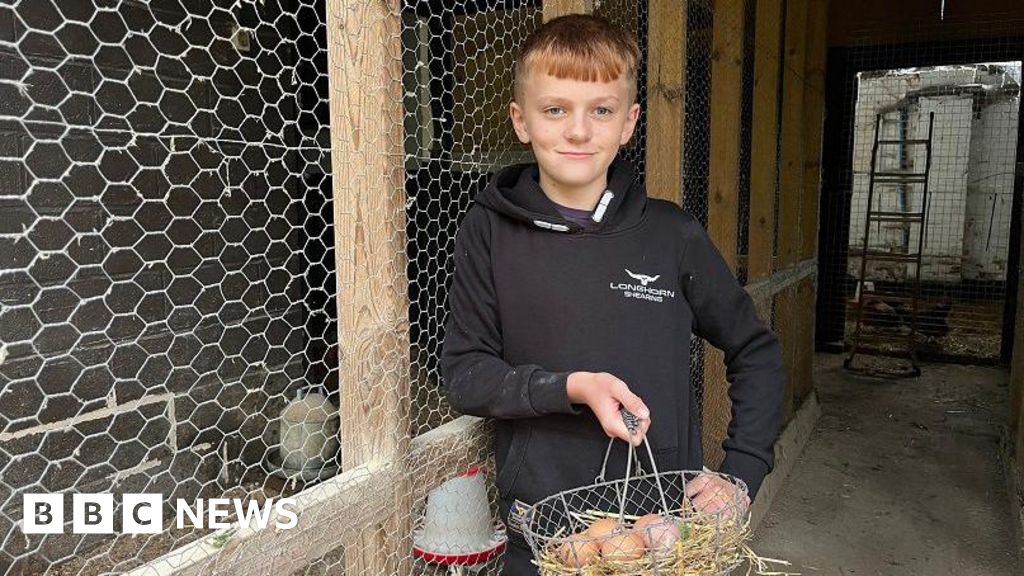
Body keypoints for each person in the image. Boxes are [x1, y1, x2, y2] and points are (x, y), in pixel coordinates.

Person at [440, 14, 785, 575]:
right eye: (555, 109)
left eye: (601, 110)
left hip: (660, 531)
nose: (579, 131)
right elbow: (464, 371)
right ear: (521, 121)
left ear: (629, 123)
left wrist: (741, 474)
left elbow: (757, 350)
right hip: (542, 529)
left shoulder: (670, 235)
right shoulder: (489, 231)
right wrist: (569, 387)